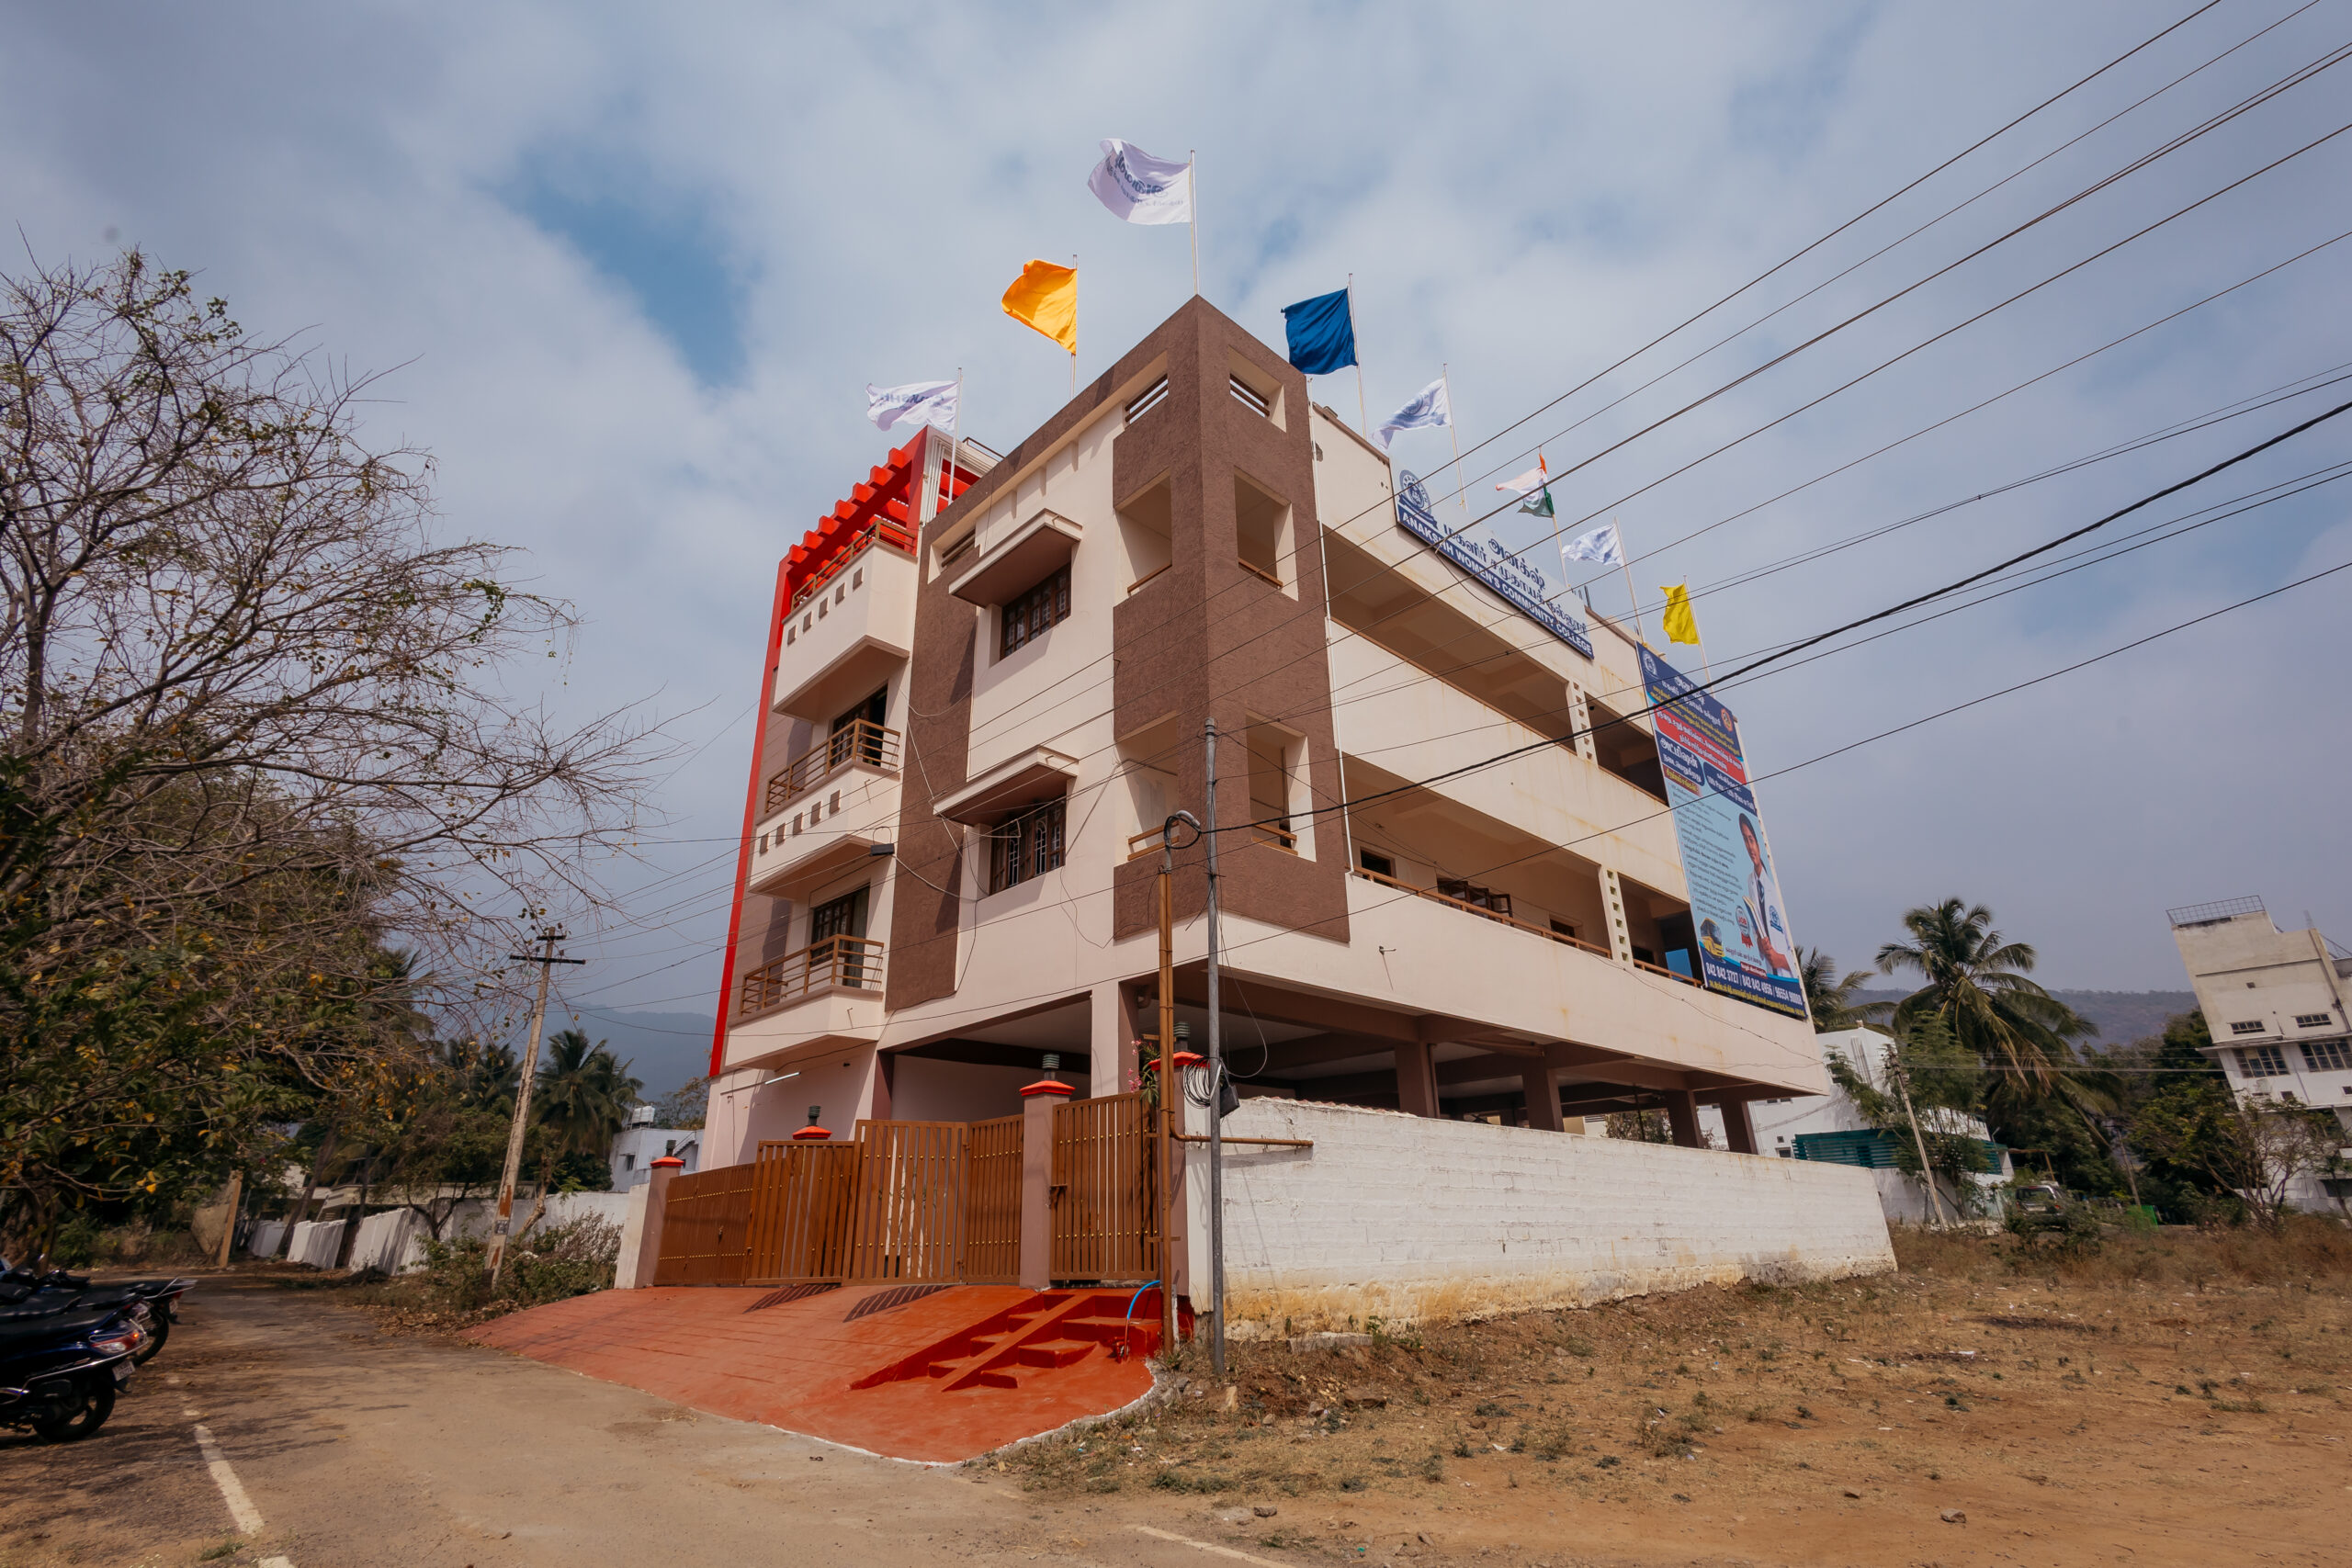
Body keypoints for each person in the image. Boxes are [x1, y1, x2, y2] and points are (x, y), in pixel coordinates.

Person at [1738, 814, 1795, 979]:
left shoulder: (1773, 890)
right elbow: (1757, 926)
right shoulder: (1750, 882)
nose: (1750, 847)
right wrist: (1759, 943)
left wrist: (1781, 960)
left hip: (1787, 977)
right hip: (1770, 977)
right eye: (1745, 840)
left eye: (1751, 840)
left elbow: (1790, 945)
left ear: (1758, 843)